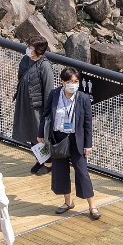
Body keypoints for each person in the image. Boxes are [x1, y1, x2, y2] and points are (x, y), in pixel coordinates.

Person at [44, 67, 99, 220]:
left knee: (82, 171)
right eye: (69, 81)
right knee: (60, 171)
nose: (73, 85)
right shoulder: (54, 94)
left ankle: (92, 206)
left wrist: (88, 145)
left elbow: (88, 124)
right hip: (59, 137)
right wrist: (41, 134)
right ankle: (68, 202)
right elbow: (46, 115)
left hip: (76, 138)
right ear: (62, 82)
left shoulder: (83, 98)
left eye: (76, 81)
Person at [12, 40, 56, 174]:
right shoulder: (25, 60)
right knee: (30, 132)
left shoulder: (45, 66)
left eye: (31, 47)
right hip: (25, 102)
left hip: (37, 106)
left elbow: (48, 90)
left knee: (39, 134)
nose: (28, 49)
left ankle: (48, 163)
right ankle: (40, 159)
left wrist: (47, 111)